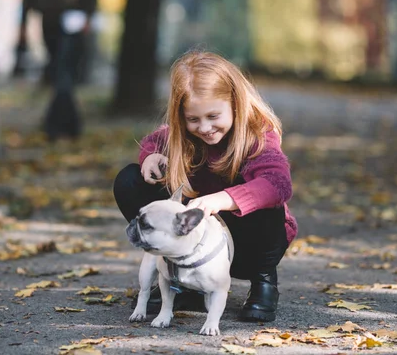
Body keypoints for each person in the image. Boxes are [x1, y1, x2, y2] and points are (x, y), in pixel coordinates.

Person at [113, 50, 297, 322]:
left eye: (213, 116)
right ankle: (185, 277)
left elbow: (279, 184)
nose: (205, 127)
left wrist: (223, 199)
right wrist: (150, 156)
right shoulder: (182, 136)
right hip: (195, 237)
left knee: (267, 200)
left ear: (235, 104)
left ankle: (263, 282)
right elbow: (156, 139)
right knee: (129, 180)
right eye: (194, 119)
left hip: (249, 244)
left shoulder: (257, 137)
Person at [14, 0, 98, 141]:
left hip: (72, 16)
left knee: (63, 71)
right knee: (59, 71)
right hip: (48, 17)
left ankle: (57, 125)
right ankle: (69, 124)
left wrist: (89, 13)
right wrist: (23, 21)